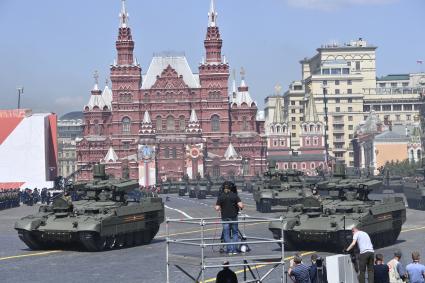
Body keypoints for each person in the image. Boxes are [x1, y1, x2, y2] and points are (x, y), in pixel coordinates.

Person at [215, 181, 243, 255]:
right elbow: (241, 206)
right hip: (233, 217)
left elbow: (217, 208)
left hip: (225, 218)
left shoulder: (221, 196)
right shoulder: (234, 196)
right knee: (235, 233)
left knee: (226, 234)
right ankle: (234, 250)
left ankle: (229, 250)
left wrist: (221, 206)